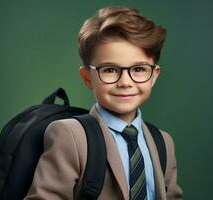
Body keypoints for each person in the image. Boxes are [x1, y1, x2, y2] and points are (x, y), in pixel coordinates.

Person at [25, 6, 183, 200]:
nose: (125, 82)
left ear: (154, 75)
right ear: (87, 77)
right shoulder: (71, 136)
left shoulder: (163, 142)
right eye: (109, 70)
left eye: (139, 69)